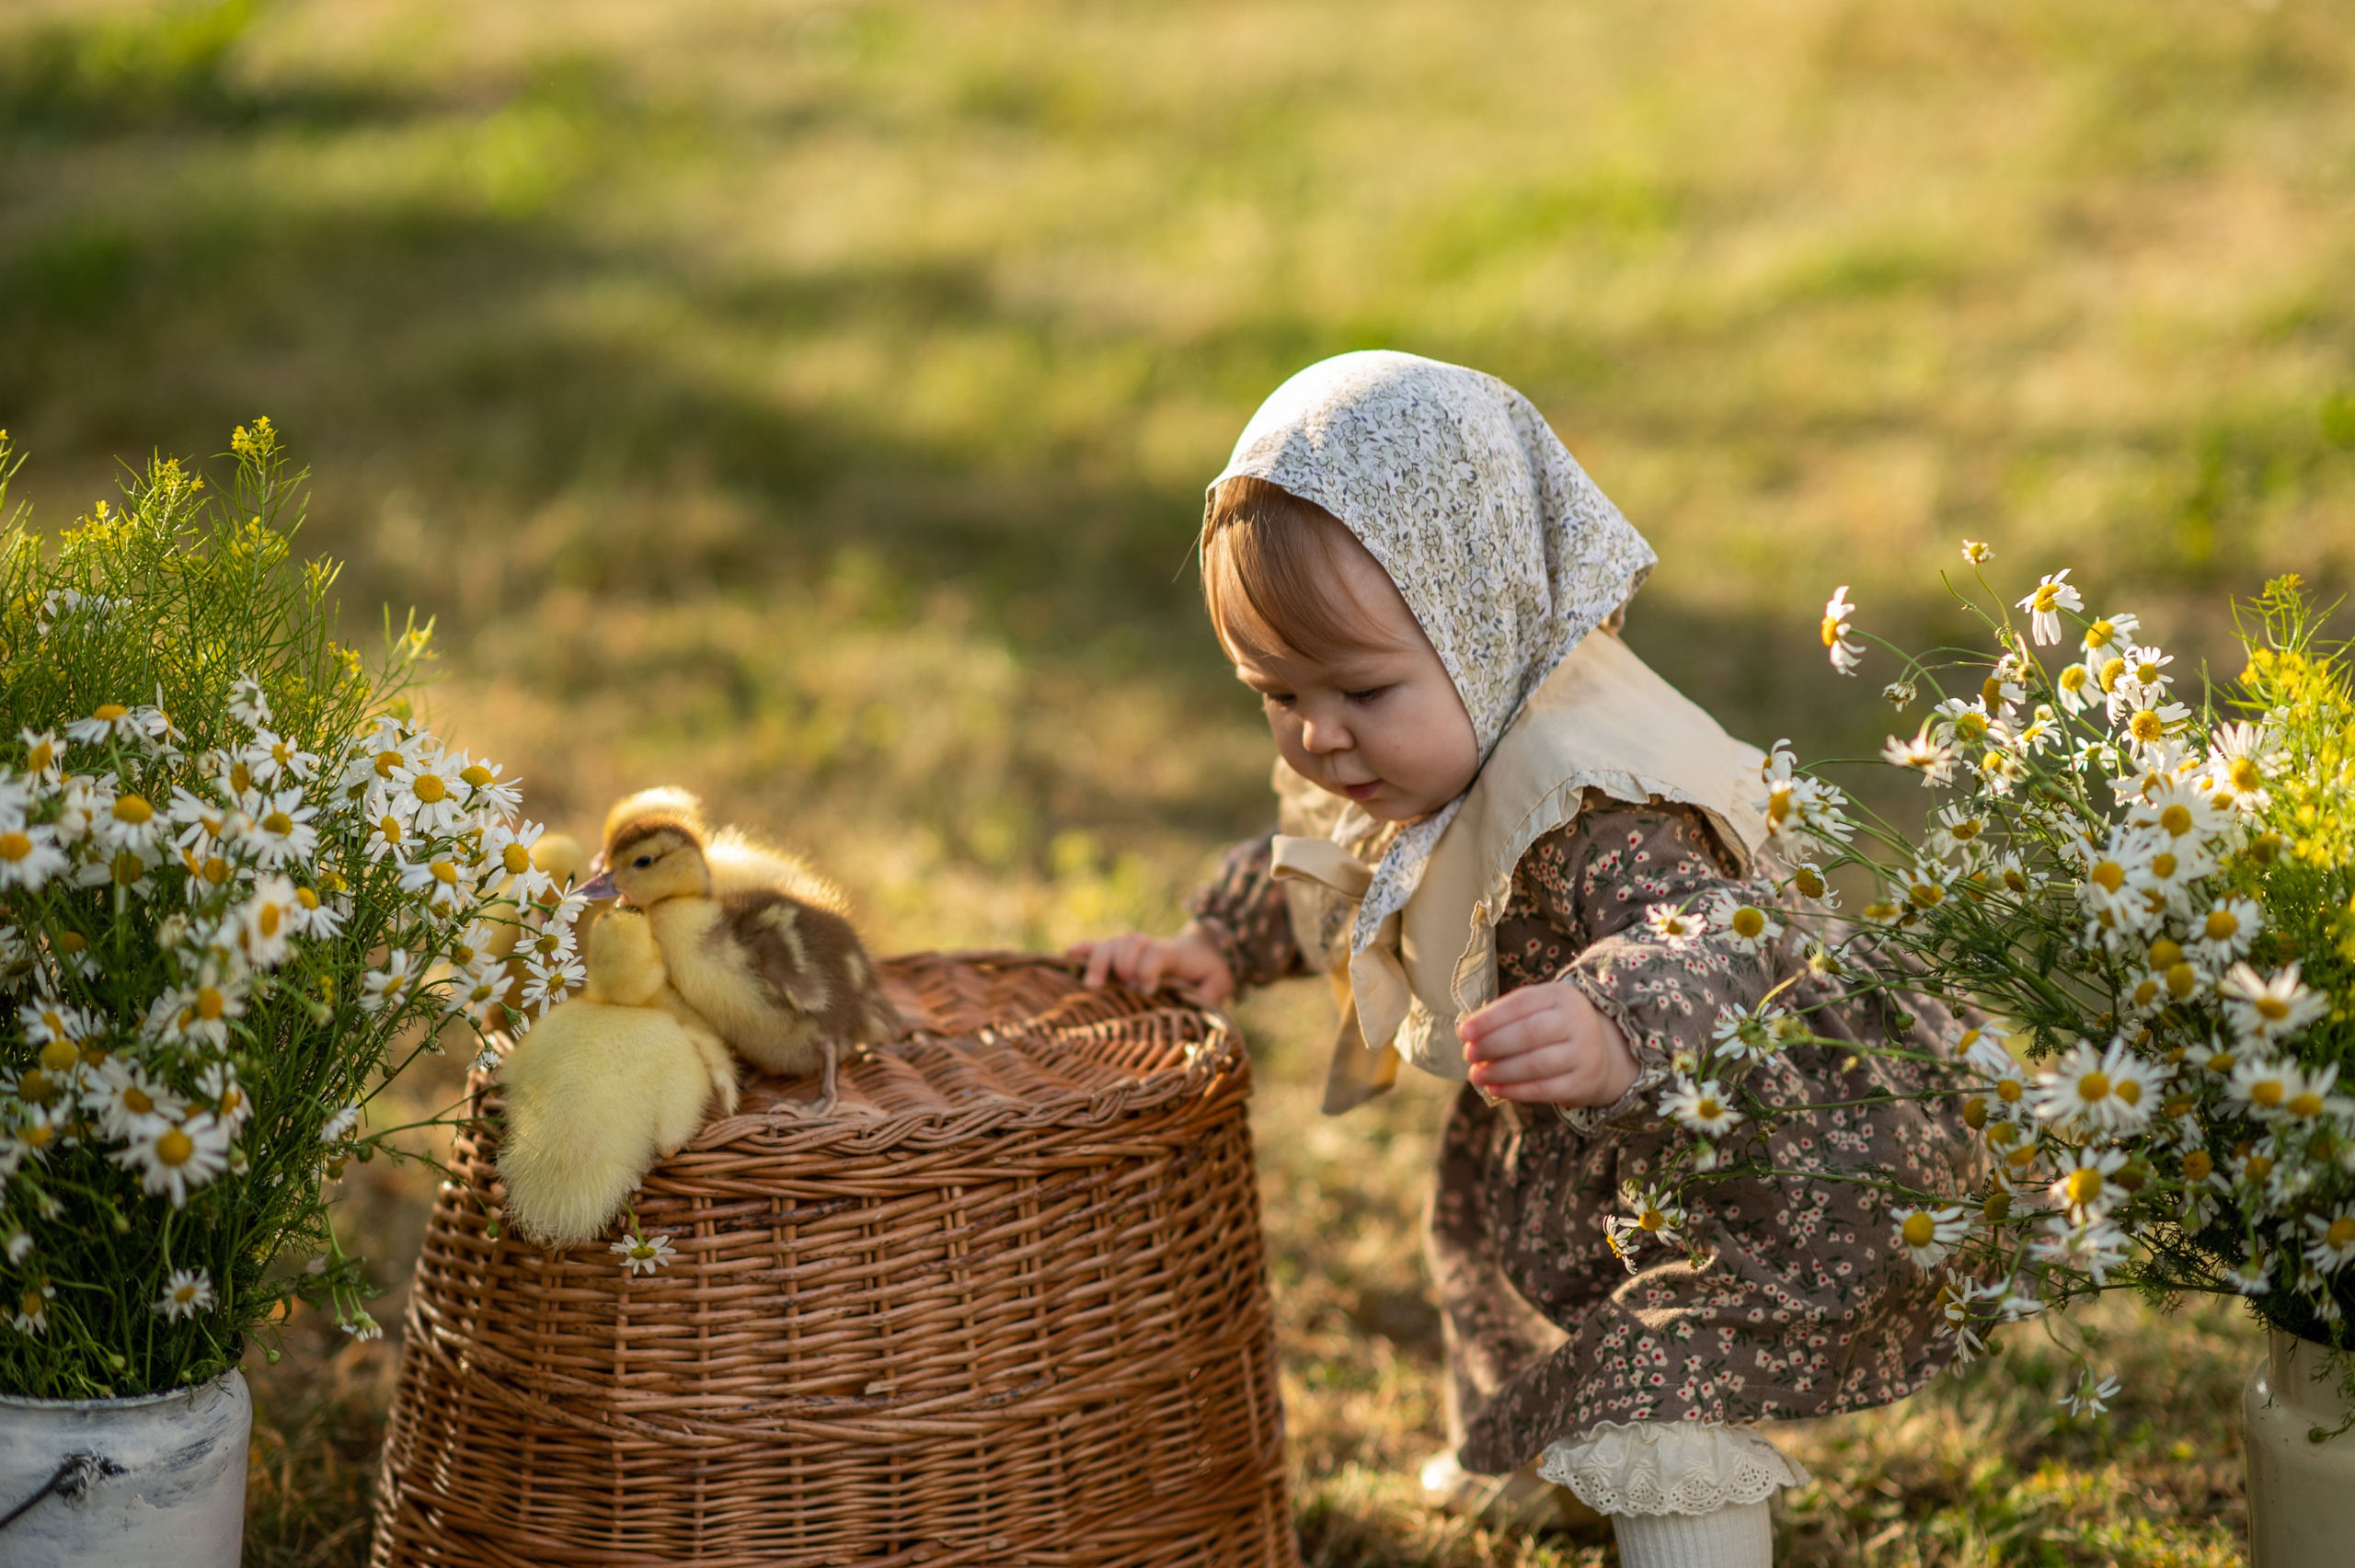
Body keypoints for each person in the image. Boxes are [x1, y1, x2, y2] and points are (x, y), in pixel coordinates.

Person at [1070, 351, 1974, 1568]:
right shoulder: (1411, 745)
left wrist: (1612, 1015)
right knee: (1498, 1272)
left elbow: (1716, 937)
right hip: (1579, 1135)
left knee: (1667, 1361)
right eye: (1274, 693)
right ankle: (1543, 1463)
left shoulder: (1600, 801)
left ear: (1486, 617)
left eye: (1362, 688)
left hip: (1737, 1144)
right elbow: (1351, 872)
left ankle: (1687, 1527)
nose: (1319, 732)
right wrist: (1218, 942)